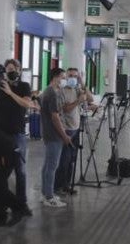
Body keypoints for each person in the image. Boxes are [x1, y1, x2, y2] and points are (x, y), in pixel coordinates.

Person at [0, 59, 33, 217]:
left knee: (20, 171)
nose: (10, 71)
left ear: (18, 70)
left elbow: (26, 104)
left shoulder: (24, 86)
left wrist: (10, 92)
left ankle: (22, 203)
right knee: (1, 172)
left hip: (17, 134)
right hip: (1, 135)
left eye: (13, 68)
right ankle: (4, 206)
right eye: (7, 69)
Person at [38, 68, 74, 209]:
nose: (63, 80)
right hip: (54, 134)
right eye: (62, 77)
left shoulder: (48, 91)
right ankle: (49, 197)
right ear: (55, 77)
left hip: (48, 133)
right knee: (52, 166)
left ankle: (45, 192)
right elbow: (55, 117)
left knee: (47, 165)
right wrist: (64, 135)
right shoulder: (51, 93)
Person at [54, 67, 91, 195]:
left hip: (76, 129)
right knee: (64, 160)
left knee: (72, 160)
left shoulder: (77, 89)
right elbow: (66, 109)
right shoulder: (62, 91)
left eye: (75, 76)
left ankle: (67, 184)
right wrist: (78, 101)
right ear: (65, 77)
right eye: (70, 76)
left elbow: (90, 99)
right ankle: (58, 186)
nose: (73, 78)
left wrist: (82, 82)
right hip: (66, 129)